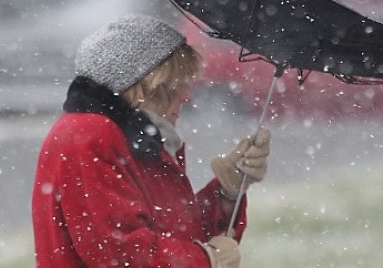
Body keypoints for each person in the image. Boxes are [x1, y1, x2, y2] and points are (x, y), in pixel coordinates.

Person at [31, 14, 271, 267]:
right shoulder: (90, 133)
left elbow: (176, 229)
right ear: (147, 84)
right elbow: (118, 250)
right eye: (178, 84)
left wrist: (226, 192)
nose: (187, 96)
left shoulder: (137, 138)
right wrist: (205, 259)